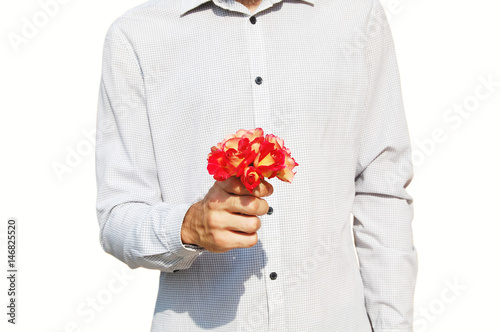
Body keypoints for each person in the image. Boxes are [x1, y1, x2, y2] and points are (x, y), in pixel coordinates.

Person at [95, 0, 418, 330]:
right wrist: (190, 226)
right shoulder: (137, 35)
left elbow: (382, 195)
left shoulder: (356, 16)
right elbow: (117, 216)